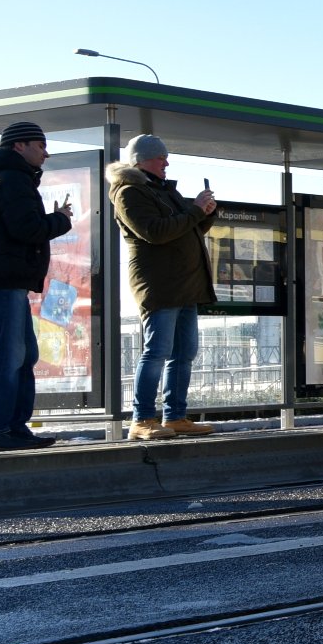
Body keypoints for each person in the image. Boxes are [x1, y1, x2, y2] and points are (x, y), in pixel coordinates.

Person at [0, 121, 72, 452]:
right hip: (3, 277)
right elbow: (26, 228)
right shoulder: (12, 178)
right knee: (11, 355)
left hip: (2, 276)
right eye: (40, 146)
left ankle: (13, 427)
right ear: (19, 146)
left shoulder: (0, 176)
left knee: (25, 353)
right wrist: (61, 219)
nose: (46, 154)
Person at [108, 134, 219, 440]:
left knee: (184, 353)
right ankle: (142, 419)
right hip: (159, 284)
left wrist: (205, 212)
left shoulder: (163, 190)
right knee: (156, 352)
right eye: (160, 157)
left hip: (185, 285)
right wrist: (194, 211)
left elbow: (188, 226)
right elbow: (155, 232)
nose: (166, 163)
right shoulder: (129, 192)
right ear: (140, 160)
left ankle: (175, 416)